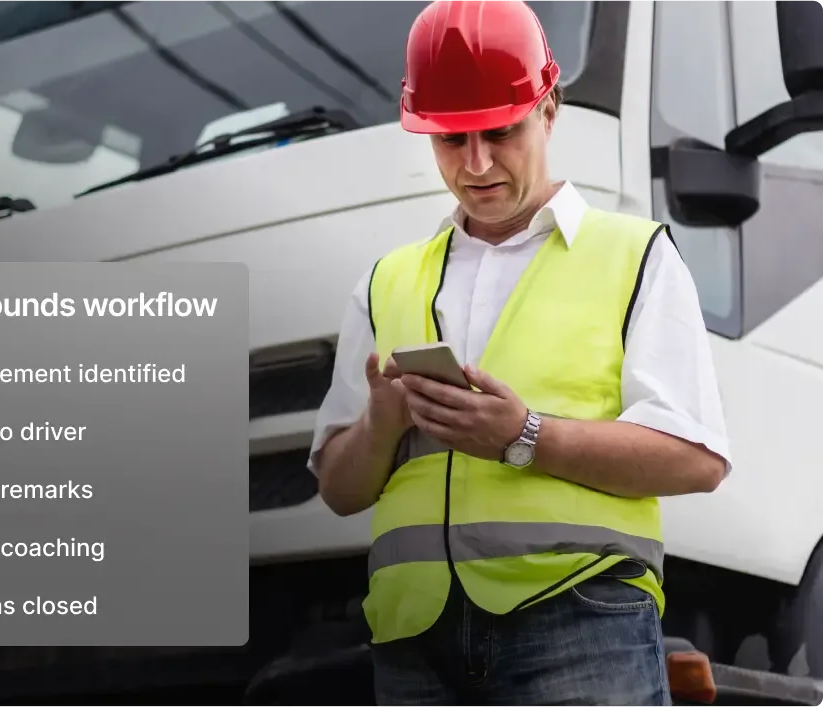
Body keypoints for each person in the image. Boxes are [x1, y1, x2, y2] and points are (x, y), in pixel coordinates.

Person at [307, 0, 731, 703]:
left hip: (579, 618)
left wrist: (524, 435)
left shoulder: (635, 256)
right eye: (452, 140)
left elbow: (698, 459)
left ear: (549, 109)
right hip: (412, 640)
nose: (476, 164)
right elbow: (338, 491)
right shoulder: (385, 283)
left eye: (500, 132)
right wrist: (382, 423)